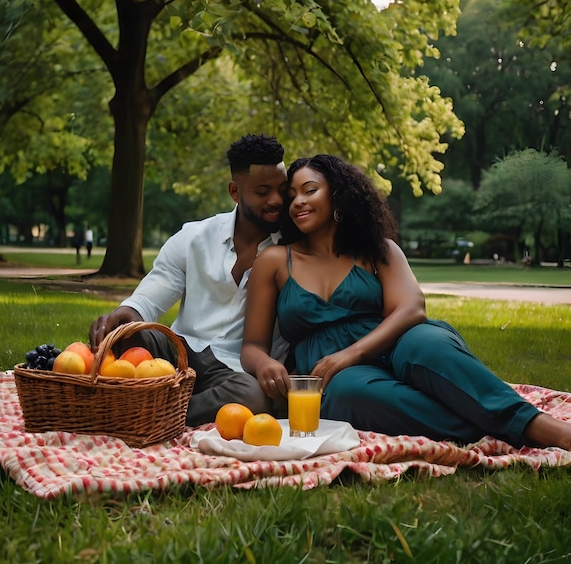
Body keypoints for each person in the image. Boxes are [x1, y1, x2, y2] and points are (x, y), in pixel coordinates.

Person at [240, 154, 571, 451]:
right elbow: (253, 345)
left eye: (309, 190)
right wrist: (265, 364)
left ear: (338, 194)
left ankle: (552, 430)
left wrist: (352, 352)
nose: (298, 201)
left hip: (397, 342)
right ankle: (506, 424)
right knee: (348, 393)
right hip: (335, 376)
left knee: (430, 345)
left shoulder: (377, 249)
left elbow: (412, 308)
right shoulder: (274, 260)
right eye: (292, 195)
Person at [89, 134, 289, 426]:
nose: (276, 200)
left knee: (253, 396)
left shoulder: (291, 250)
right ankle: (160, 401)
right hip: (178, 353)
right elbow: (147, 299)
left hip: (237, 371)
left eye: (282, 189)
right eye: (262, 191)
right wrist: (125, 316)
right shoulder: (193, 238)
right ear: (235, 191)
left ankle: (151, 413)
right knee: (122, 333)